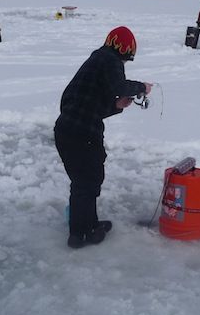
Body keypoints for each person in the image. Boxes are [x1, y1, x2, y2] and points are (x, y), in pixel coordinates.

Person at [54, 26, 153, 249]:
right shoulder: (110, 59)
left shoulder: (97, 60)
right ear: (124, 49)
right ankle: (79, 234)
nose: (124, 64)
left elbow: (85, 105)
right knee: (85, 183)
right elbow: (119, 85)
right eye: (127, 59)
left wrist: (116, 105)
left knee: (88, 181)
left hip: (66, 130)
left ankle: (91, 224)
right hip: (82, 134)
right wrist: (142, 87)